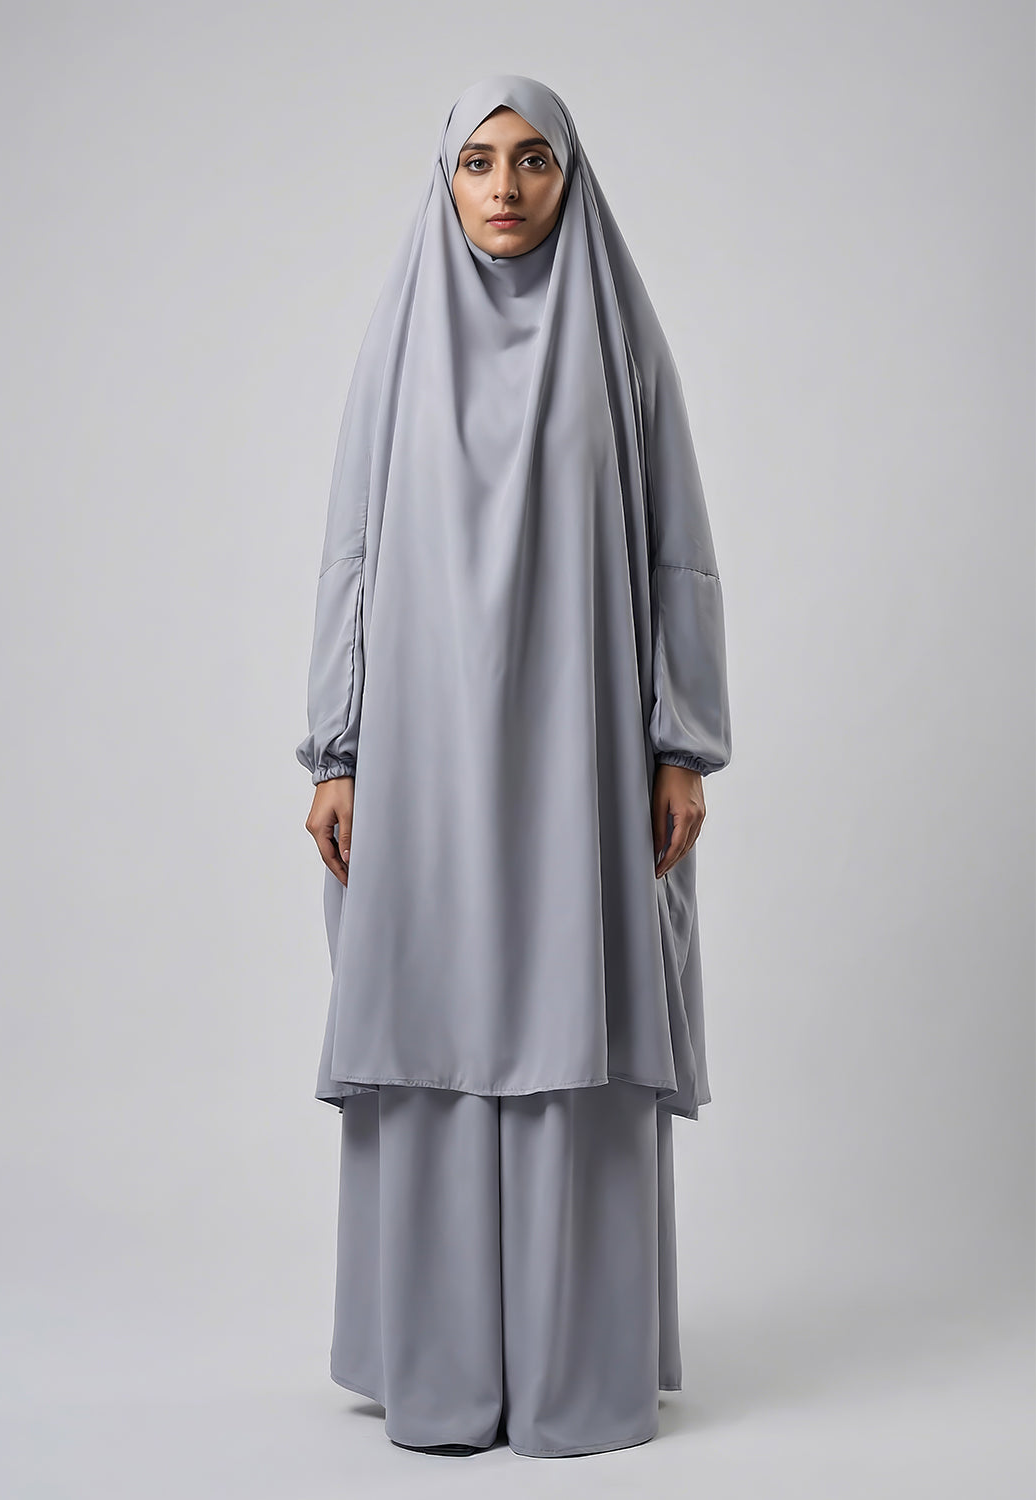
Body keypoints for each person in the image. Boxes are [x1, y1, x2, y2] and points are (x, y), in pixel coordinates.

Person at [295, 74, 732, 1459]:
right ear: (445, 179)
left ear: (568, 177)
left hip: (580, 748)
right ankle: (432, 1364)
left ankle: (569, 1373)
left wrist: (681, 741)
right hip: (423, 753)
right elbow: (353, 554)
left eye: (534, 160)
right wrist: (336, 750)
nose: (505, 186)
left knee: (573, 1007)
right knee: (431, 1008)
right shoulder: (399, 345)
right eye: (479, 161)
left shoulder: (618, 342)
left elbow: (675, 547)